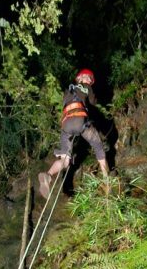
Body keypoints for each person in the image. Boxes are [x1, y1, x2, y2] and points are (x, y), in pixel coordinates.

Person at [38, 68, 109, 199]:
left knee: (65, 160)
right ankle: (107, 180)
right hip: (79, 120)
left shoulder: (68, 90)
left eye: (89, 79)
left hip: (66, 125)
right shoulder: (87, 87)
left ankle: (48, 175)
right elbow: (93, 103)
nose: (89, 81)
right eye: (88, 78)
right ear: (81, 78)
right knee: (98, 146)